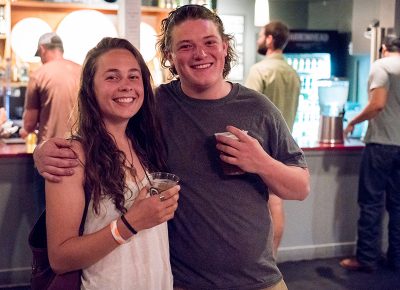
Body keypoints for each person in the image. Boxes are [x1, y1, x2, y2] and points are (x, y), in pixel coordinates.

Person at [34, 5, 310, 289]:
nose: (200, 54)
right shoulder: (154, 108)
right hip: (180, 282)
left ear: (225, 47)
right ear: (170, 56)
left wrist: (261, 163)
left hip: (259, 281)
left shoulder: (258, 108)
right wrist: (43, 151)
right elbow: (101, 132)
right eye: (186, 46)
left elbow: (300, 188)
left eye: (209, 42)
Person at [45, 37, 179, 289]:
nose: (126, 86)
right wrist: (130, 223)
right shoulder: (72, 156)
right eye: (112, 77)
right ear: (90, 88)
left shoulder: (148, 146)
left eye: (133, 76)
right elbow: (60, 258)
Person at [340, 34, 400, 273]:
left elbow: (377, 104)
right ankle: (396, 259)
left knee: (371, 202)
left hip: (381, 144)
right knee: (398, 206)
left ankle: (366, 258)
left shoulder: (382, 66)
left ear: (384, 48)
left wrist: (352, 121)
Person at [245, 21, 301, 256]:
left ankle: (265, 260)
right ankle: (273, 257)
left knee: (265, 206)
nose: (258, 39)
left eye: (260, 35)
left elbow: (244, 111)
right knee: (276, 203)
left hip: (260, 150)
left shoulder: (260, 70)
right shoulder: (293, 73)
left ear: (269, 39)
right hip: (282, 147)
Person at [20, 32, 81, 216]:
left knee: (47, 221)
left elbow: (29, 124)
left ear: (42, 49)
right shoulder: (82, 70)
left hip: (51, 157)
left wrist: (25, 130)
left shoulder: (39, 74)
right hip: (82, 154)